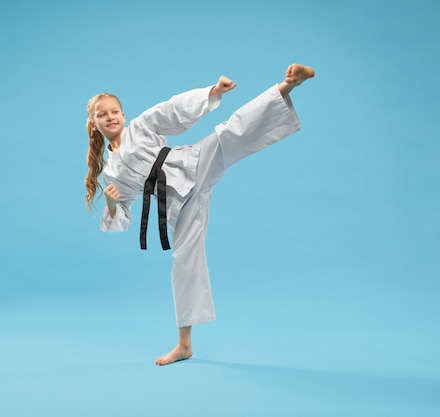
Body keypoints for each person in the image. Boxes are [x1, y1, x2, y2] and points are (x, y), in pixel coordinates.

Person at [84, 64, 314, 365]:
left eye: (115, 111)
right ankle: (184, 345)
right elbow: (122, 213)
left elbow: (173, 110)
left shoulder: (140, 126)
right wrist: (113, 205)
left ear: (124, 115)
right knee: (183, 262)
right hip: (176, 204)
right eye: (103, 114)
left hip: (189, 165)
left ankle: (288, 86)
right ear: (93, 124)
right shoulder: (110, 173)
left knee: (228, 135)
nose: (111, 117)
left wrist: (212, 92)